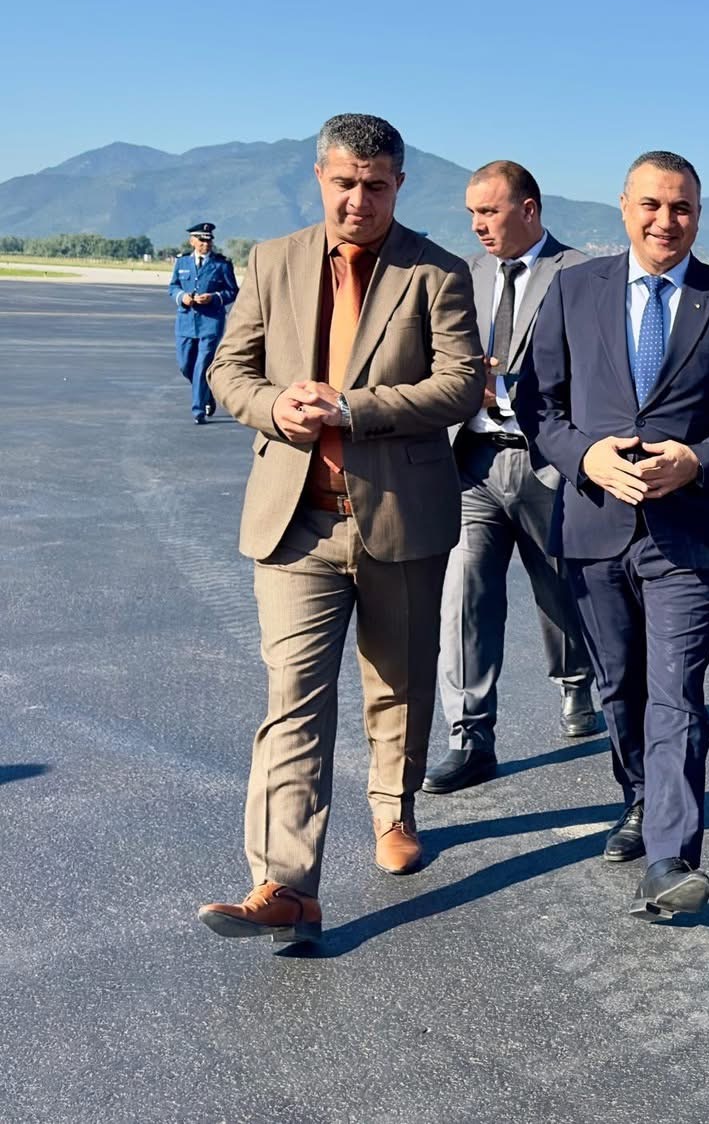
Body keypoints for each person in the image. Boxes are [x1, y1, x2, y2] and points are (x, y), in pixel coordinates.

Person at [197, 113, 484, 942]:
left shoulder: (437, 272)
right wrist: (273, 405)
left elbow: (461, 384)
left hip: (399, 515)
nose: (360, 200)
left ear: (399, 185)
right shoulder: (271, 260)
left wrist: (355, 409)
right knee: (293, 698)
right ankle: (285, 884)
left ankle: (393, 809)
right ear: (320, 177)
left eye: (377, 186)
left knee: (399, 683)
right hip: (297, 524)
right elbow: (229, 370)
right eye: (346, 184)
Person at [516, 150, 709, 921]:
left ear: (699, 214)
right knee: (620, 689)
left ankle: (670, 858)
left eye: (682, 208)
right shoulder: (575, 290)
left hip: (687, 537)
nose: (667, 221)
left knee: (677, 693)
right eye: (653, 206)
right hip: (593, 527)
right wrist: (586, 457)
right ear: (625, 208)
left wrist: (697, 459)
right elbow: (537, 405)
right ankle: (638, 794)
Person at [421, 160, 600, 797]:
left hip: (544, 462)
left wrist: (515, 385)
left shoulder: (580, 275)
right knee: (465, 595)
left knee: (559, 587)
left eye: (489, 211)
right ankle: (470, 735)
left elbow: (596, 369)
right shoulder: (462, 274)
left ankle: (575, 681)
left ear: (528, 210)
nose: (478, 224)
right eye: (472, 213)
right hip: (472, 460)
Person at [168, 221, 239, 423]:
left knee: (202, 364)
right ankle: (206, 394)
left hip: (210, 321)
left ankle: (198, 410)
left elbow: (232, 291)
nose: (205, 244)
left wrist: (214, 297)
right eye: (201, 240)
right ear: (192, 241)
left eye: (208, 241)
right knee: (185, 365)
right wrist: (182, 297)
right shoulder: (182, 262)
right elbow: (173, 287)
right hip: (186, 321)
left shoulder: (222, 264)